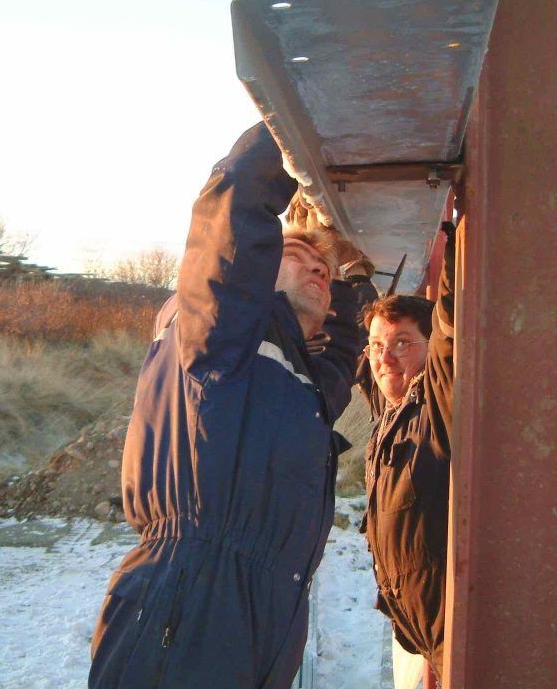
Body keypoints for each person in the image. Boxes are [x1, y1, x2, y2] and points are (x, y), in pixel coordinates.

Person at [89, 122, 373, 689]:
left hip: (273, 613)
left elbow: (344, 348)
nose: (319, 271)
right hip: (191, 600)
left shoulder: (302, 381)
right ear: (258, 265)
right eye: (299, 257)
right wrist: (295, 119)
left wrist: (357, 271)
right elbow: (233, 205)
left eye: (325, 271)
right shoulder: (216, 333)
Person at [357, 212, 459, 689]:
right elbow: (362, 357)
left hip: (449, 633)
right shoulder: (390, 408)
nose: (385, 356)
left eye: (402, 342)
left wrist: (456, 240)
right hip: (415, 630)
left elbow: (450, 333)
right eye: (377, 344)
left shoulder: (433, 408)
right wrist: (352, 275)